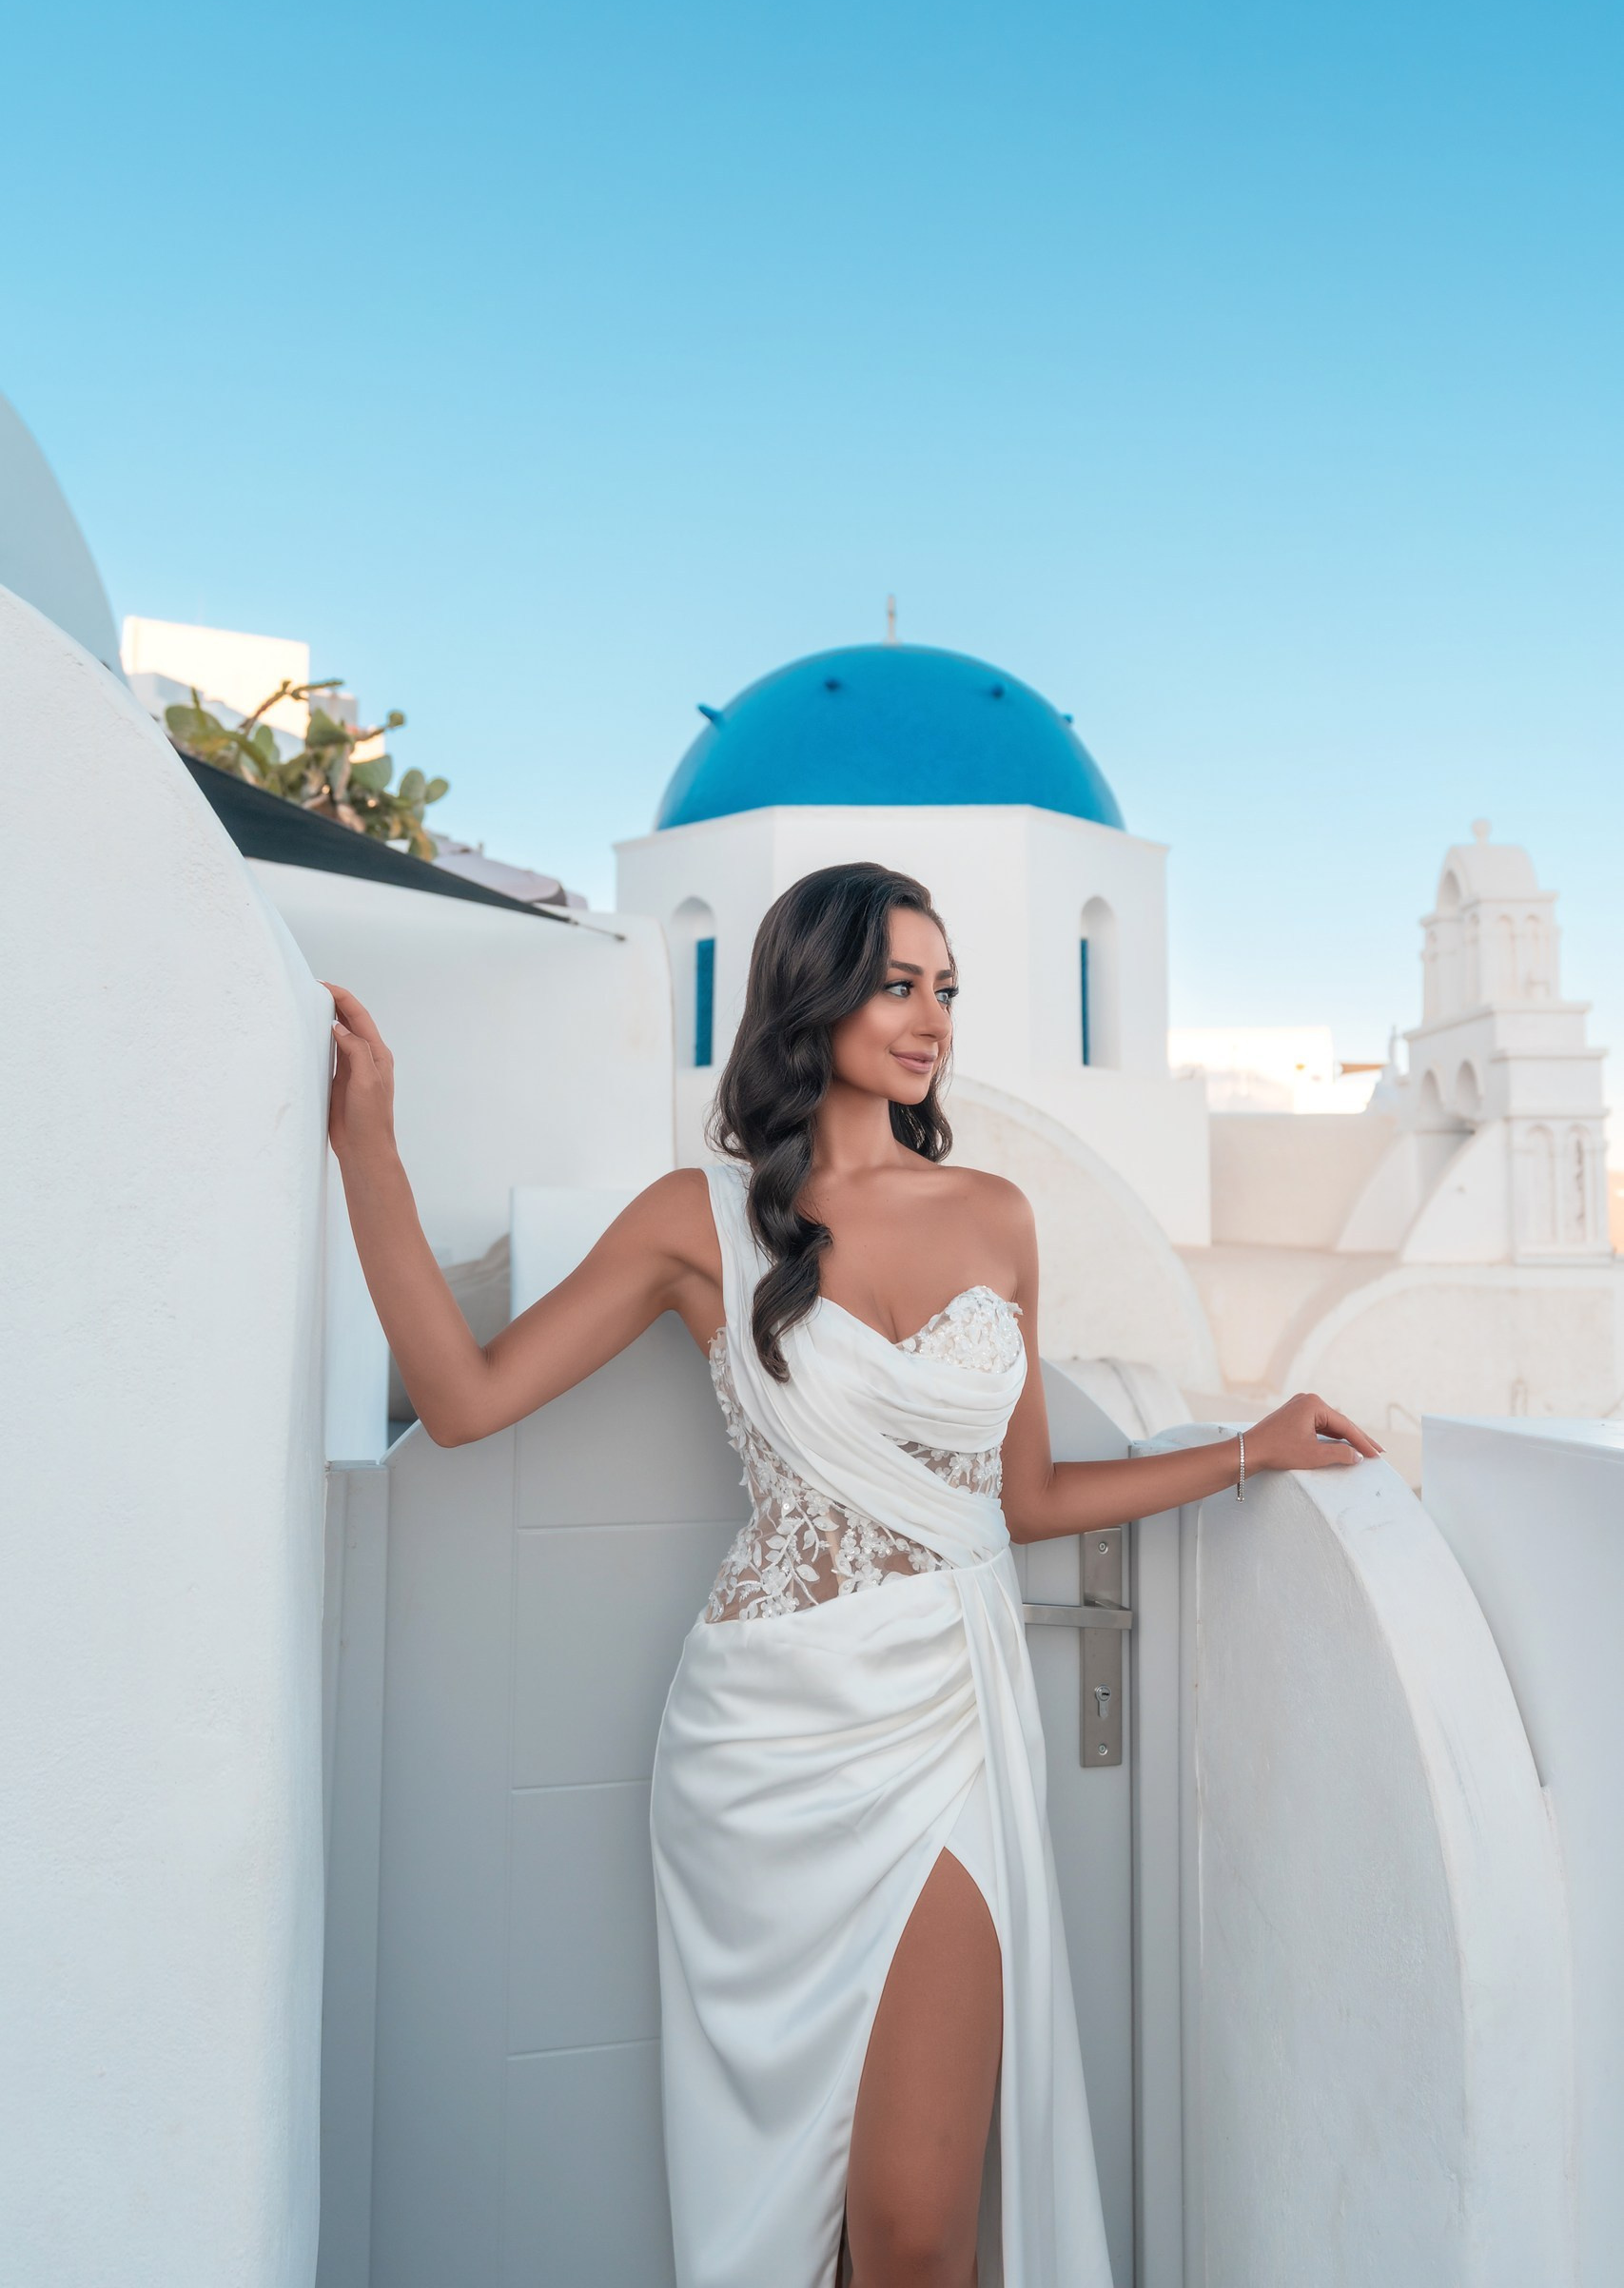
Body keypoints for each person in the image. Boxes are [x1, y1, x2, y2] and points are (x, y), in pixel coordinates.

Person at [326, 859, 1378, 2288]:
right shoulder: (695, 1219)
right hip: (761, 1742)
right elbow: (461, 1398)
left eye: (946, 988)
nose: (932, 1018)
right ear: (813, 994)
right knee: (795, 2226)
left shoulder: (997, 1215)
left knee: (917, 2231)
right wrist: (369, 1147)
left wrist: (1243, 1452)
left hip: (946, 1723)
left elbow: (1026, 1498)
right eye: (897, 985)